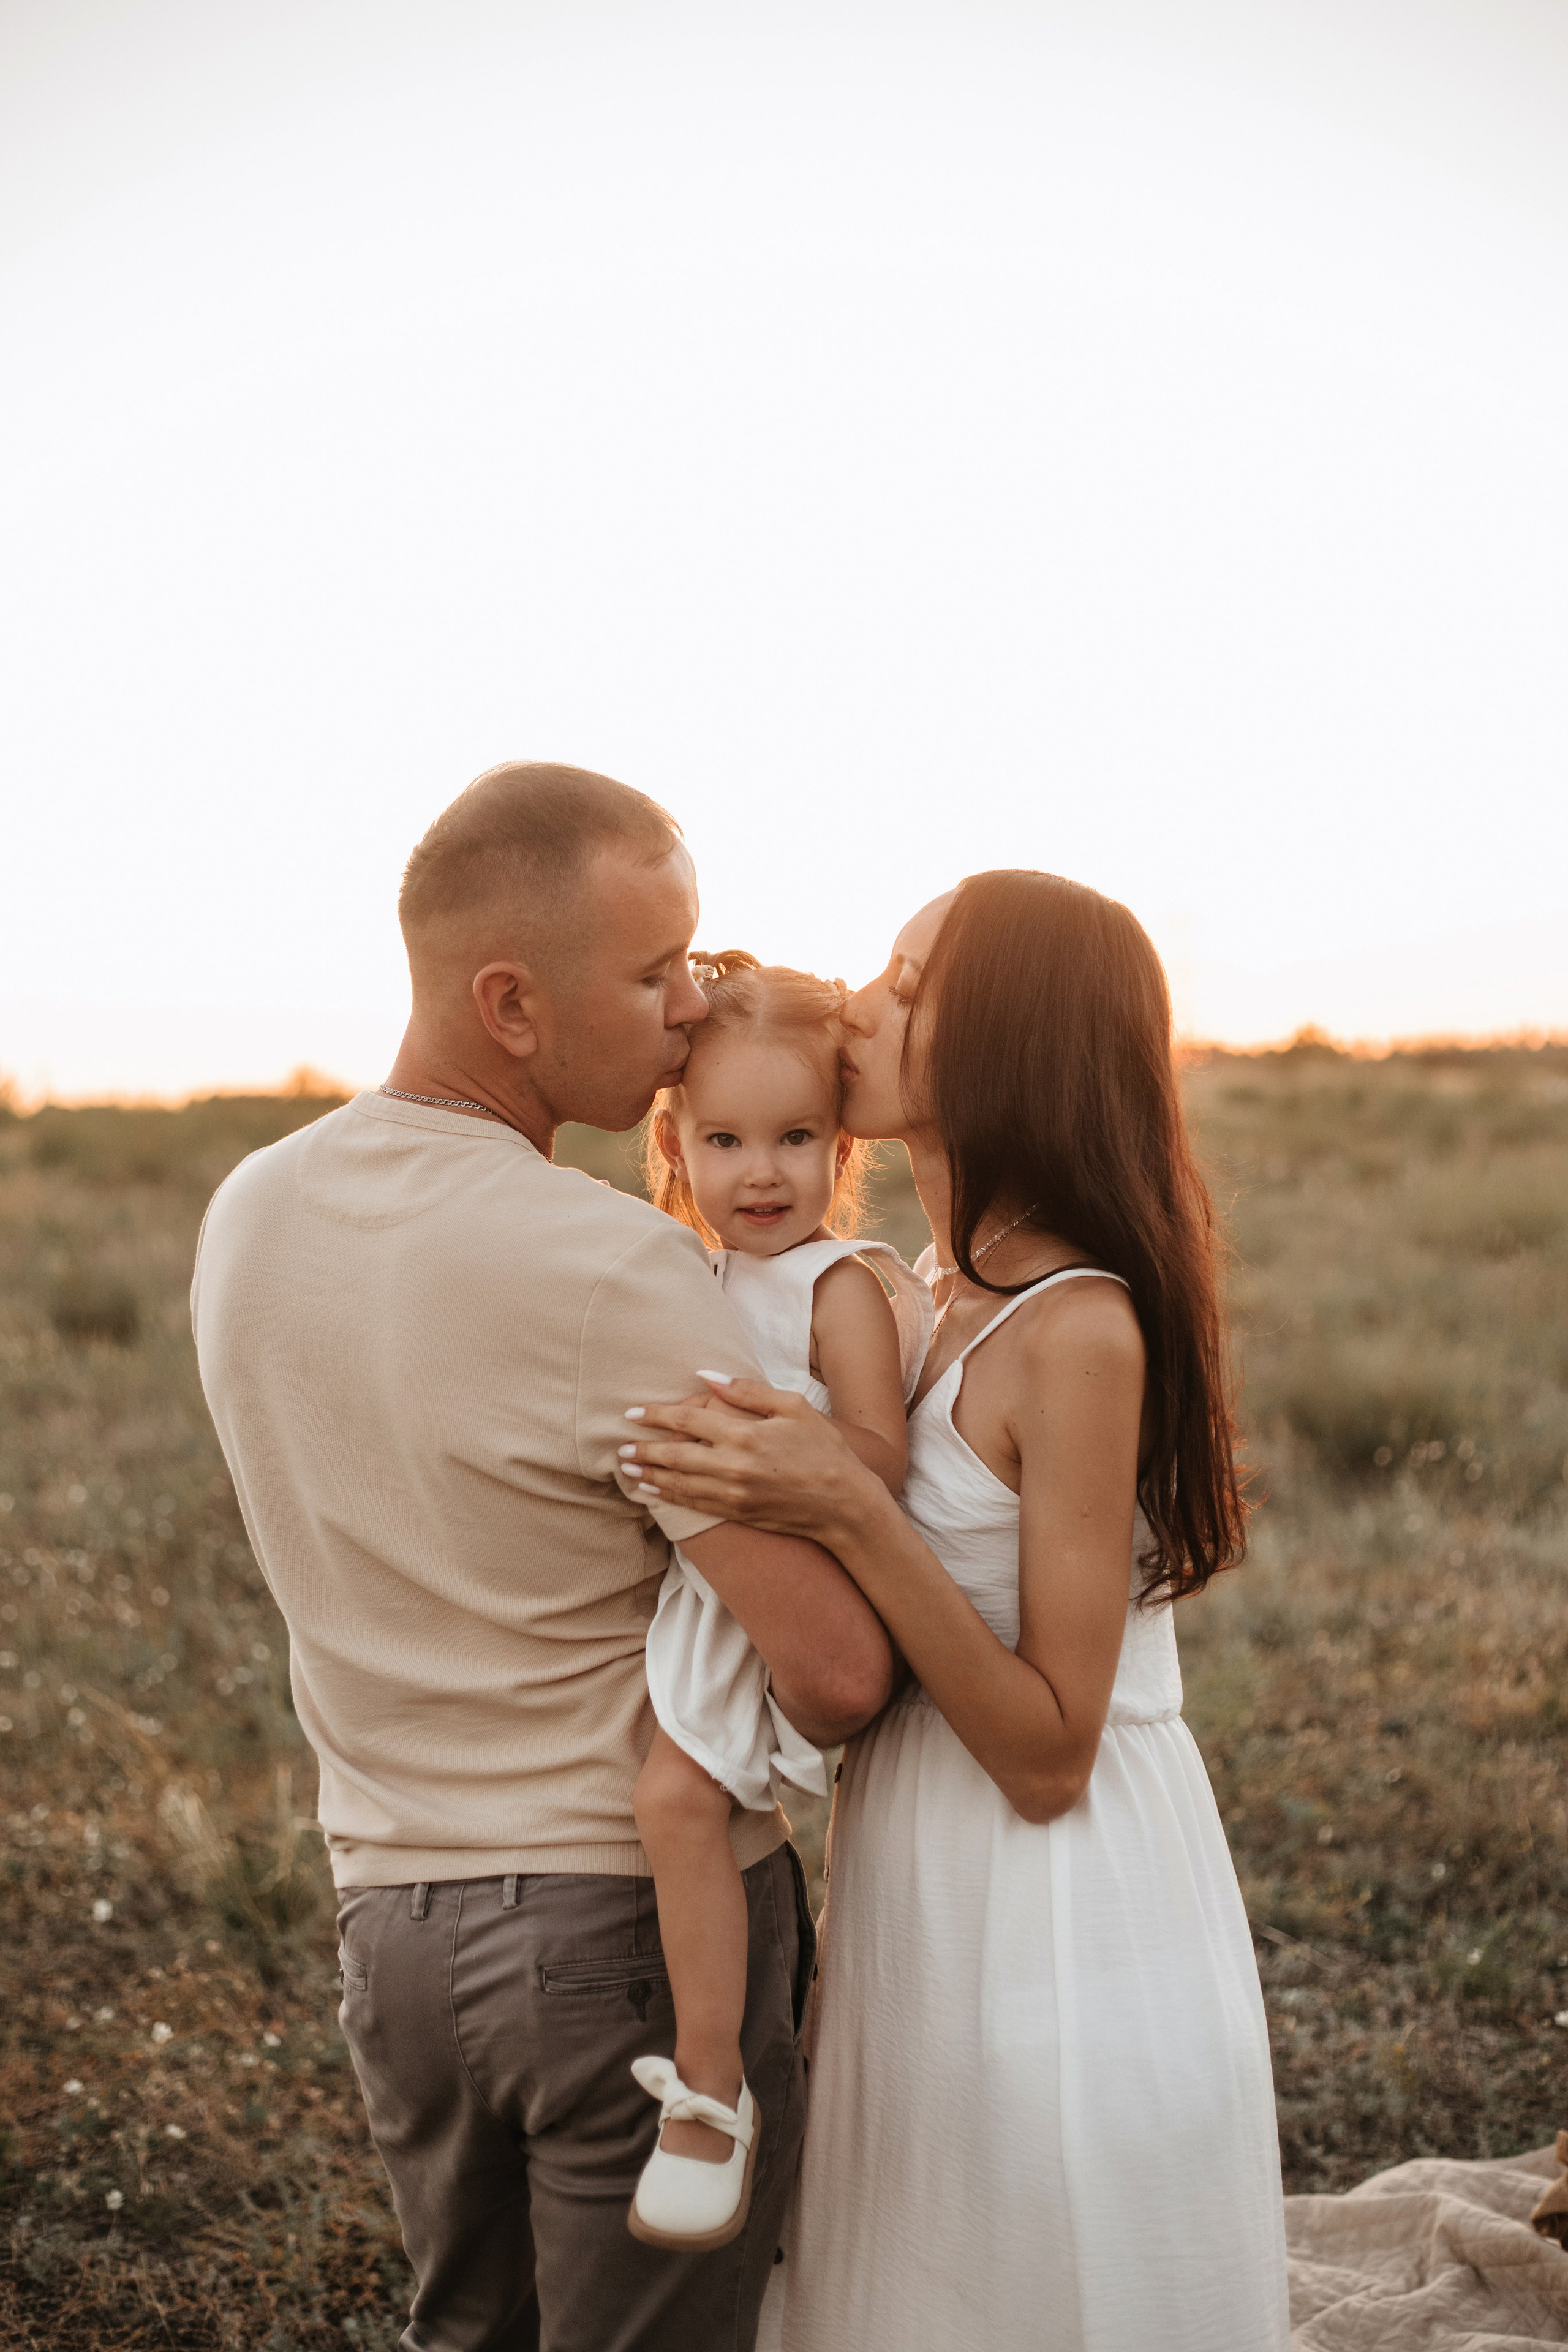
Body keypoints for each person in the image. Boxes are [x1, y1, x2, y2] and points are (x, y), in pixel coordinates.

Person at [190, 763, 896, 2352]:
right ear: (510, 1004)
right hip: (628, 1947)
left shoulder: (247, 1213)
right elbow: (836, 1675)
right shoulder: (610, 1266)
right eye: (655, 972)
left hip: (391, 1939)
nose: (689, 1009)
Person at [619, 871, 1294, 2351]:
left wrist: (844, 1504)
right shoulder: (919, 1291)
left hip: (1054, 1893)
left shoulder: (1079, 1328)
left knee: (1040, 2283)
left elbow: (1049, 1753)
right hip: (916, 1852)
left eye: (906, 985)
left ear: (1007, 1041)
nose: (858, 1006)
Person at [625, 951, 929, 2250]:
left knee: (675, 1797)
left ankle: (711, 2090)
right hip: (707, 1572)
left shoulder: (836, 1283)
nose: (763, 1173)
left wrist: (761, 1449)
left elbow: (877, 1461)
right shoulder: (682, 1274)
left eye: (796, 1138)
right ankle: (754, 2043)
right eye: (727, 1140)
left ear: (841, 1146)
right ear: (675, 1144)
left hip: (793, 1571)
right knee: (677, 1802)